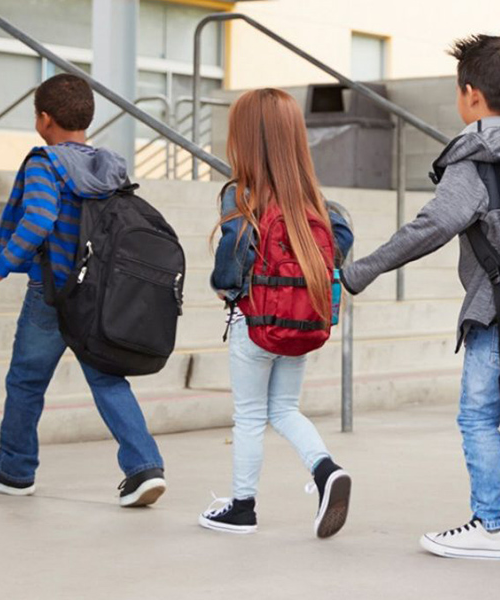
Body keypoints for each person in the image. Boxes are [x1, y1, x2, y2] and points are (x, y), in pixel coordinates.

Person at [340, 35, 500, 561]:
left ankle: (491, 523)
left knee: (477, 416)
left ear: (471, 95)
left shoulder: (476, 159)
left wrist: (360, 271)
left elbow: (434, 223)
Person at [0, 73, 167, 507]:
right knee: (107, 378)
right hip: (97, 294)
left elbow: (39, 218)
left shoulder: (46, 163)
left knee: (25, 380)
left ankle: (15, 469)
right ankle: (144, 467)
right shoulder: (109, 165)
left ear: (44, 119)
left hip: (52, 295)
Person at [198, 88, 355, 539]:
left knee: (249, 416)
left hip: (255, 325)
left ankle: (242, 507)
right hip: (301, 322)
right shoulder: (317, 203)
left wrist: (225, 288)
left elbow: (230, 265)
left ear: (244, 140)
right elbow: (340, 243)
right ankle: (326, 470)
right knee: (284, 409)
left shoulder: (240, 197)